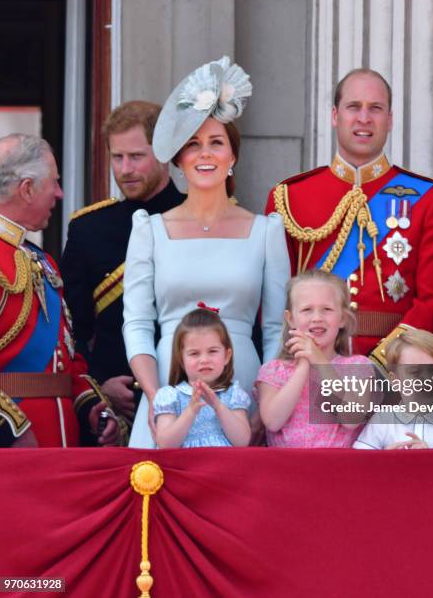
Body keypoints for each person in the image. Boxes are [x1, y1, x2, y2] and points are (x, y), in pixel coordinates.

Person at [123, 56, 290, 447]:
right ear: (179, 159)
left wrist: (263, 403)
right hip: (167, 383)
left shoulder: (266, 230)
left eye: (216, 143)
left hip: (244, 388)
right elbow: (137, 325)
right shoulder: (149, 230)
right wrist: (154, 396)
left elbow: (275, 331)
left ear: (232, 156)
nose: (205, 154)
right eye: (193, 144)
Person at [266, 68, 433, 368]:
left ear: (390, 119)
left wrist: (380, 364)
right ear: (334, 115)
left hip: (395, 373)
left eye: (375, 108)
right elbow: (275, 303)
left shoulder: (429, 199)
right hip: (310, 367)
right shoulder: (290, 197)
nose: (364, 118)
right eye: (353, 107)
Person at [61, 101, 183, 424]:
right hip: (115, 411)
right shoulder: (87, 229)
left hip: (190, 392)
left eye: (137, 156)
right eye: (117, 157)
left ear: (165, 152)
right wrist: (99, 384)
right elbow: (71, 331)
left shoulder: (199, 218)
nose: (125, 169)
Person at [0, 133, 120, 447]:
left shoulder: (42, 260)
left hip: (62, 447)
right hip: (14, 450)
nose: (60, 193)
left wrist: (90, 406)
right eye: (54, 181)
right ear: (26, 189)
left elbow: (65, 358)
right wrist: (10, 430)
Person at [254, 270, 370, 447]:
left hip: (339, 470)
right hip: (284, 470)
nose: (317, 318)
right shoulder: (274, 370)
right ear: (291, 319)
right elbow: (272, 421)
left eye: (327, 310)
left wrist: (319, 361)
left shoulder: (358, 366)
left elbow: (352, 417)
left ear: (343, 318)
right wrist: (303, 366)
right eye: (307, 310)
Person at [353, 329, 433, 450]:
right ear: (395, 381)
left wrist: (429, 458)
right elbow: (359, 461)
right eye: (414, 371)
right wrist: (385, 460)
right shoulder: (382, 418)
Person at [154, 306, 251, 448]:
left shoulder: (233, 394)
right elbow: (165, 444)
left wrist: (217, 406)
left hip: (224, 467)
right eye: (194, 353)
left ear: (226, 356)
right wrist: (191, 410)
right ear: (181, 359)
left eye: (212, 351)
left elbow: (242, 441)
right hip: (184, 467)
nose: (204, 359)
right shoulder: (170, 395)